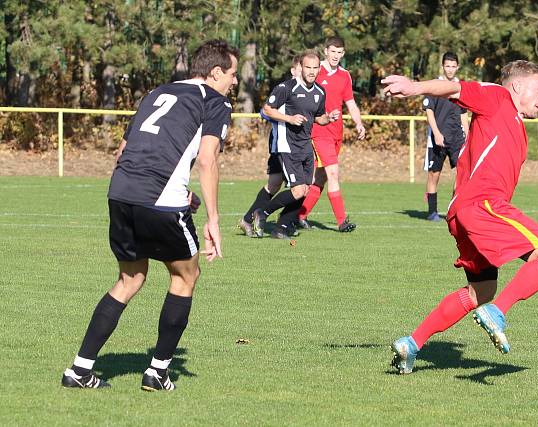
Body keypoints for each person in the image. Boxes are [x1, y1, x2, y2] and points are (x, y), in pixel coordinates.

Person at [61, 39, 238, 390]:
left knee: (131, 278)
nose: (234, 81)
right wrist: (213, 219)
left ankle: (79, 370)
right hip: (159, 199)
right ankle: (158, 372)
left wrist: (179, 192)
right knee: (186, 276)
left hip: (121, 192)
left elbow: (125, 150)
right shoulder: (215, 101)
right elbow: (207, 159)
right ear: (215, 72)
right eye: (232, 74)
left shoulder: (158, 93)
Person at [382, 60, 538, 374]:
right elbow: (455, 88)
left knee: (479, 291)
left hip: (463, 214)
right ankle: (497, 313)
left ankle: (411, 344)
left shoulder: (514, 123)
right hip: (484, 205)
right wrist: (415, 87)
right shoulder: (497, 98)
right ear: (518, 86)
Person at [254, 49, 339, 239]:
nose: (311, 71)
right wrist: (289, 119)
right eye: (308, 67)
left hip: (306, 146)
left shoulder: (319, 92)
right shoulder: (286, 88)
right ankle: (262, 213)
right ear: (300, 67)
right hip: (288, 145)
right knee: (297, 190)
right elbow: (268, 109)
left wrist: (329, 118)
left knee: (306, 191)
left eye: (315, 68)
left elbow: (318, 118)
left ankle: (280, 228)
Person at [296, 36, 365, 232]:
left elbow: (350, 102)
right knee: (333, 173)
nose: (335, 55)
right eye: (332, 51)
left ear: (343, 54)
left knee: (320, 178)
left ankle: (299, 215)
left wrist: (359, 123)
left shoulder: (345, 75)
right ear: (326, 51)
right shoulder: (316, 70)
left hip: (337, 134)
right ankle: (342, 221)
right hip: (319, 131)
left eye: (339, 52)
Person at [238, 54, 303, 237]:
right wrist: (286, 119)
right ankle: (280, 223)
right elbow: (264, 112)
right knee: (300, 186)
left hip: (296, 147)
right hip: (281, 146)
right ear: (293, 71)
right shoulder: (284, 89)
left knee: (275, 185)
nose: (305, 73)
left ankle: (249, 219)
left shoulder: (307, 90)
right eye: (301, 69)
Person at [422, 52, 469, 222]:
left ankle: (455, 211)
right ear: (443, 67)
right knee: (434, 175)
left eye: (453, 66)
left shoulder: (461, 87)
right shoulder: (435, 85)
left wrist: (468, 135)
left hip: (457, 138)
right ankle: (432, 212)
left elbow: (464, 114)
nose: (450, 69)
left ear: (457, 67)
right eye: (447, 66)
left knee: (463, 174)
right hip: (438, 138)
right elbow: (429, 111)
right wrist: (436, 133)